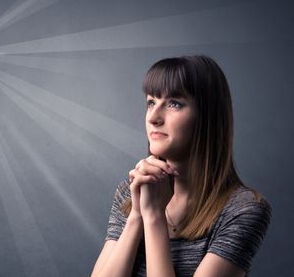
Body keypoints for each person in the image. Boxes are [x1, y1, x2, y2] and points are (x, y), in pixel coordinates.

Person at [91, 55, 271, 277]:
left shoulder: (243, 209)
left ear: (207, 116)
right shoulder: (131, 192)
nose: (154, 117)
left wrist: (154, 216)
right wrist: (137, 215)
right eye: (151, 102)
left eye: (174, 103)